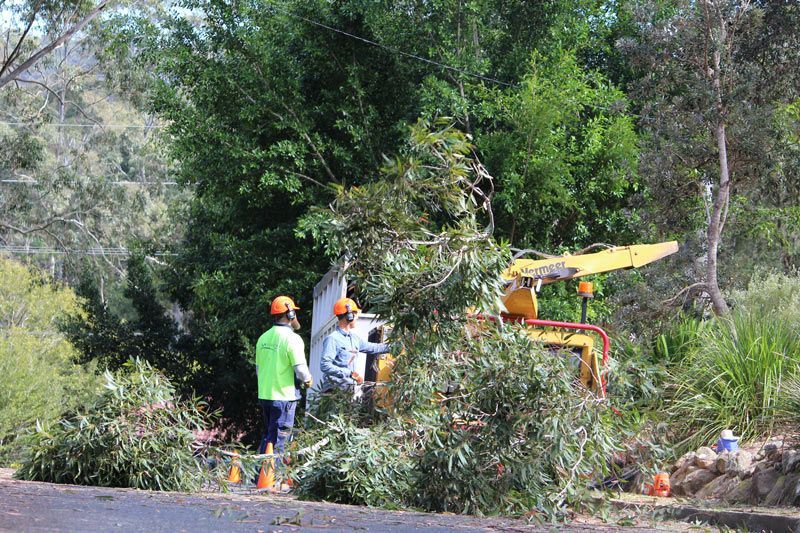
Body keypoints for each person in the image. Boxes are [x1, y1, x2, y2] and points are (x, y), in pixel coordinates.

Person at [255, 296, 313, 455]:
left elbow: (259, 370)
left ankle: (260, 476)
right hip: (284, 397)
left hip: (265, 395)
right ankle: (274, 477)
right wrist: (308, 380)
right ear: (291, 314)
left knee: (268, 436)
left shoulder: (263, 338)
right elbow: (300, 370)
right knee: (280, 439)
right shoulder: (292, 339)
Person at [320, 297, 390, 391]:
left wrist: (393, 347)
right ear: (349, 316)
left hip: (348, 389)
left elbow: (373, 347)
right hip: (334, 391)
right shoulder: (333, 339)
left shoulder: (354, 339)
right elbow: (325, 365)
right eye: (356, 314)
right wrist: (350, 373)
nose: (357, 317)